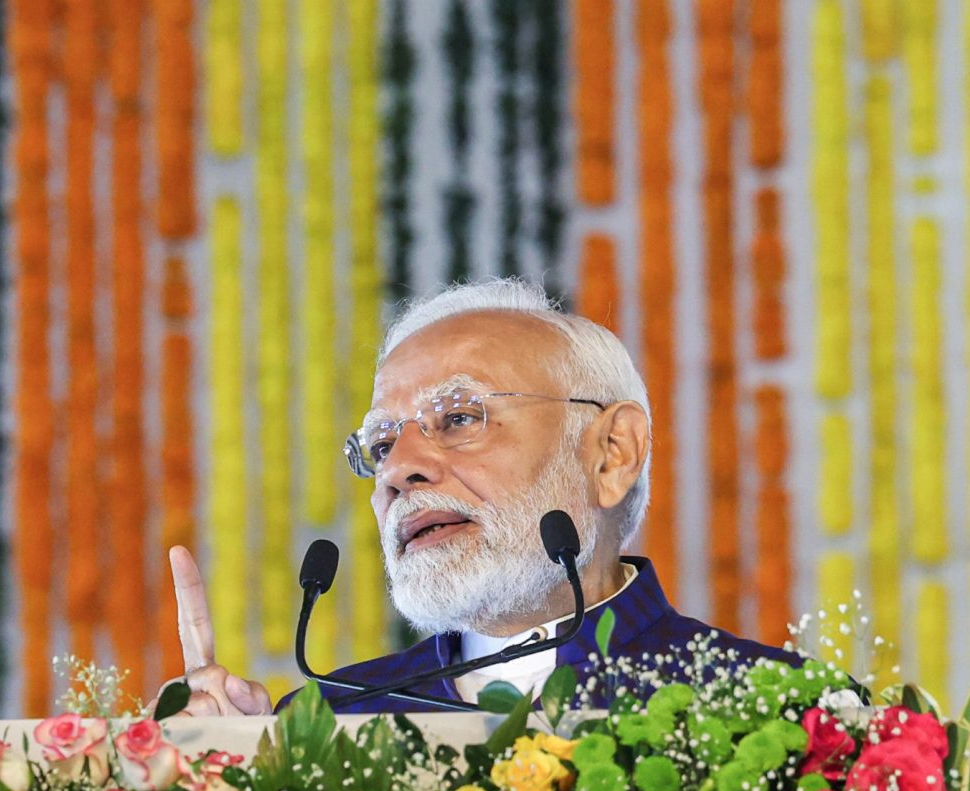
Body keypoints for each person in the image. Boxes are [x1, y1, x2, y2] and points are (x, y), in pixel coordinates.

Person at [166, 277, 794, 717]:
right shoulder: (327, 724)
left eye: (460, 419)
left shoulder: (785, 714)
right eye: (381, 444)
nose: (401, 470)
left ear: (613, 453)